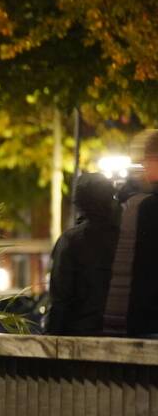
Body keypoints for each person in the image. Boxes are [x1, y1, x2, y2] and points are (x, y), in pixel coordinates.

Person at [45, 173, 119, 336]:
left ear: (79, 202)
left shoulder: (71, 241)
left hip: (79, 334)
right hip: (120, 331)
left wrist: (50, 338)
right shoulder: (125, 237)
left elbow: (60, 298)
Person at [104, 129, 158, 337]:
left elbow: (142, 268)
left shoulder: (146, 207)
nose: (142, 169)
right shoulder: (142, 203)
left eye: (145, 162)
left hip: (145, 318)